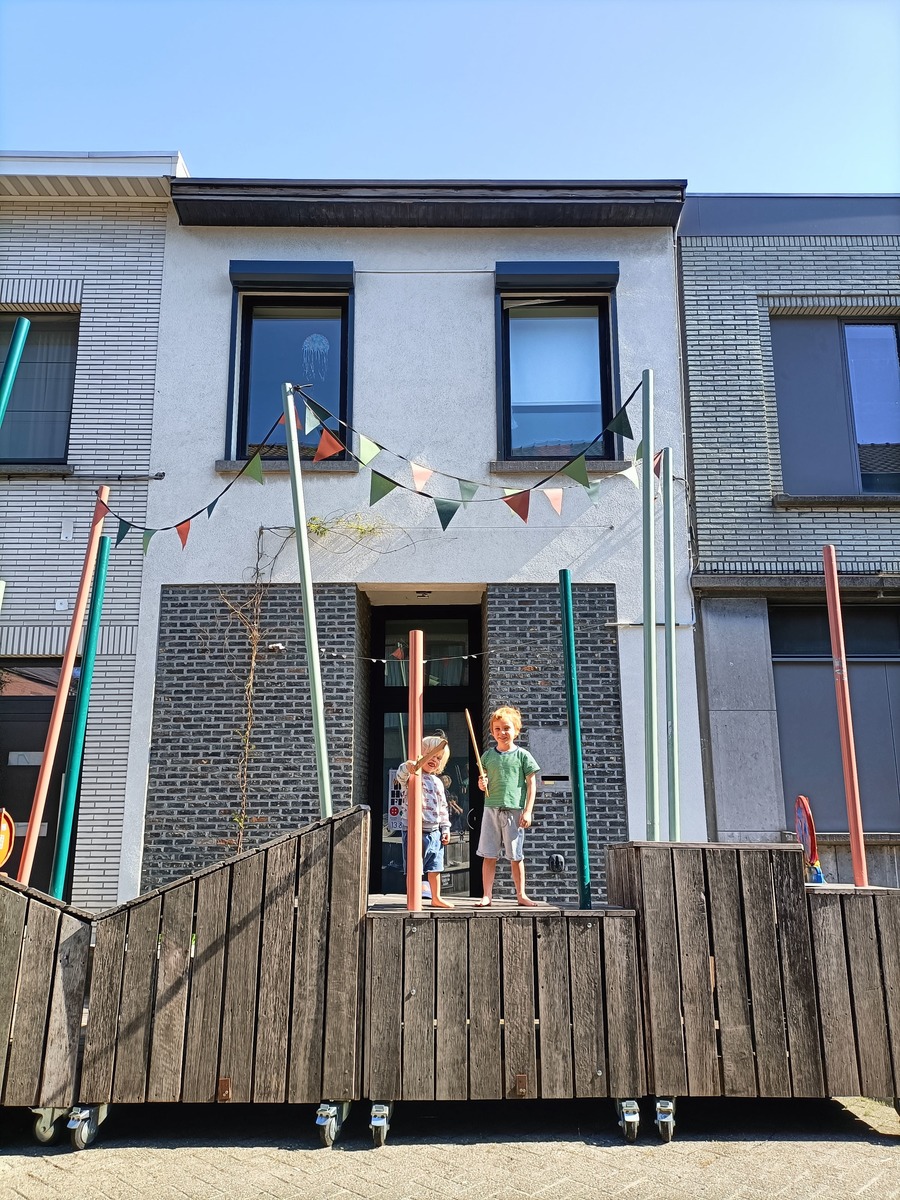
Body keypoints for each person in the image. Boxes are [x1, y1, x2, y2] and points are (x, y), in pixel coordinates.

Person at [476, 706, 540, 907]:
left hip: (514, 809)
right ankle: (487, 895)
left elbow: (532, 784)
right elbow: (482, 780)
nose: (502, 733)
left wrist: (528, 811)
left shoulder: (523, 755)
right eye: (497, 729)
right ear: (492, 732)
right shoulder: (486, 756)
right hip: (491, 808)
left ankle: (521, 894)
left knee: (516, 855)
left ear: (516, 730)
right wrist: (481, 783)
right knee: (488, 854)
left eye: (506, 728)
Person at [396, 734, 454, 909]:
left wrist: (445, 828)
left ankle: (436, 897)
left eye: (438, 758)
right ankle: (413, 897)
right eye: (429, 755)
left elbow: (443, 807)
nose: (433, 760)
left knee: (435, 867)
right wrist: (409, 766)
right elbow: (401, 774)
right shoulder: (412, 777)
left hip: (435, 831)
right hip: (414, 830)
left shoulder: (437, 782)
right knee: (414, 867)